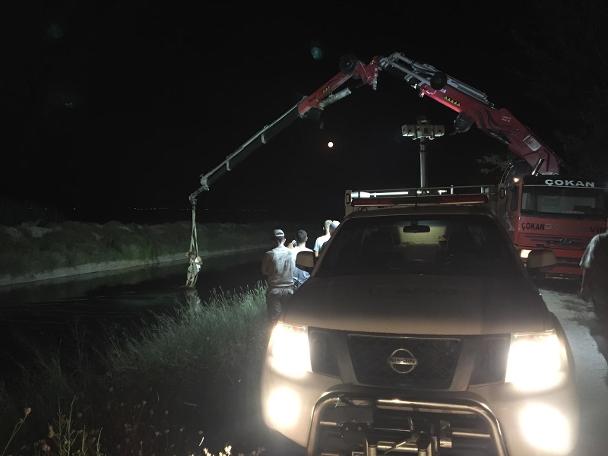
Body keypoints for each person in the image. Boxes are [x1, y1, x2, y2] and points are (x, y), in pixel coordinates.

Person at [261, 228, 295, 322]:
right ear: (284, 240)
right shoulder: (292, 253)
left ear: (273, 240)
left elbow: (264, 271)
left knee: (275, 320)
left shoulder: (269, 254)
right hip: (289, 290)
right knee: (289, 318)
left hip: (274, 290)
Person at [579, 229, 608, 318]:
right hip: (601, 289)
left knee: (602, 318)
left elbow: (588, 265)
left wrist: (584, 287)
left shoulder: (599, 240)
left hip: (601, 290)